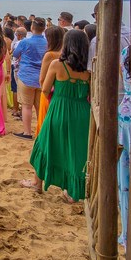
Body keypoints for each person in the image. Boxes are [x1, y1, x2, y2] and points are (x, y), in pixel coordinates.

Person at [24, 29, 92, 201]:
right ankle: (72, 192)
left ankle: (37, 183)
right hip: (82, 113)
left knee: (45, 143)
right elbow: (91, 95)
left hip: (59, 109)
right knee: (76, 151)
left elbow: (45, 89)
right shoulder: (89, 70)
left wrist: (59, 96)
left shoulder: (57, 65)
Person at [11, 18, 49, 140]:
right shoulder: (47, 42)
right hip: (42, 77)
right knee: (39, 107)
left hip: (26, 76)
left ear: (32, 28)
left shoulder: (25, 42)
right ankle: (41, 131)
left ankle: (27, 132)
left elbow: (15, 54)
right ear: (44, 28)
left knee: (26, 106)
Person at [37, 25, 66, 129]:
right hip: (60, 92)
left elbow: (42, 79)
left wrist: (45, 92)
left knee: (44, 122)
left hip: (48, 91)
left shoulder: (50, 55)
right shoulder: (65, 53)